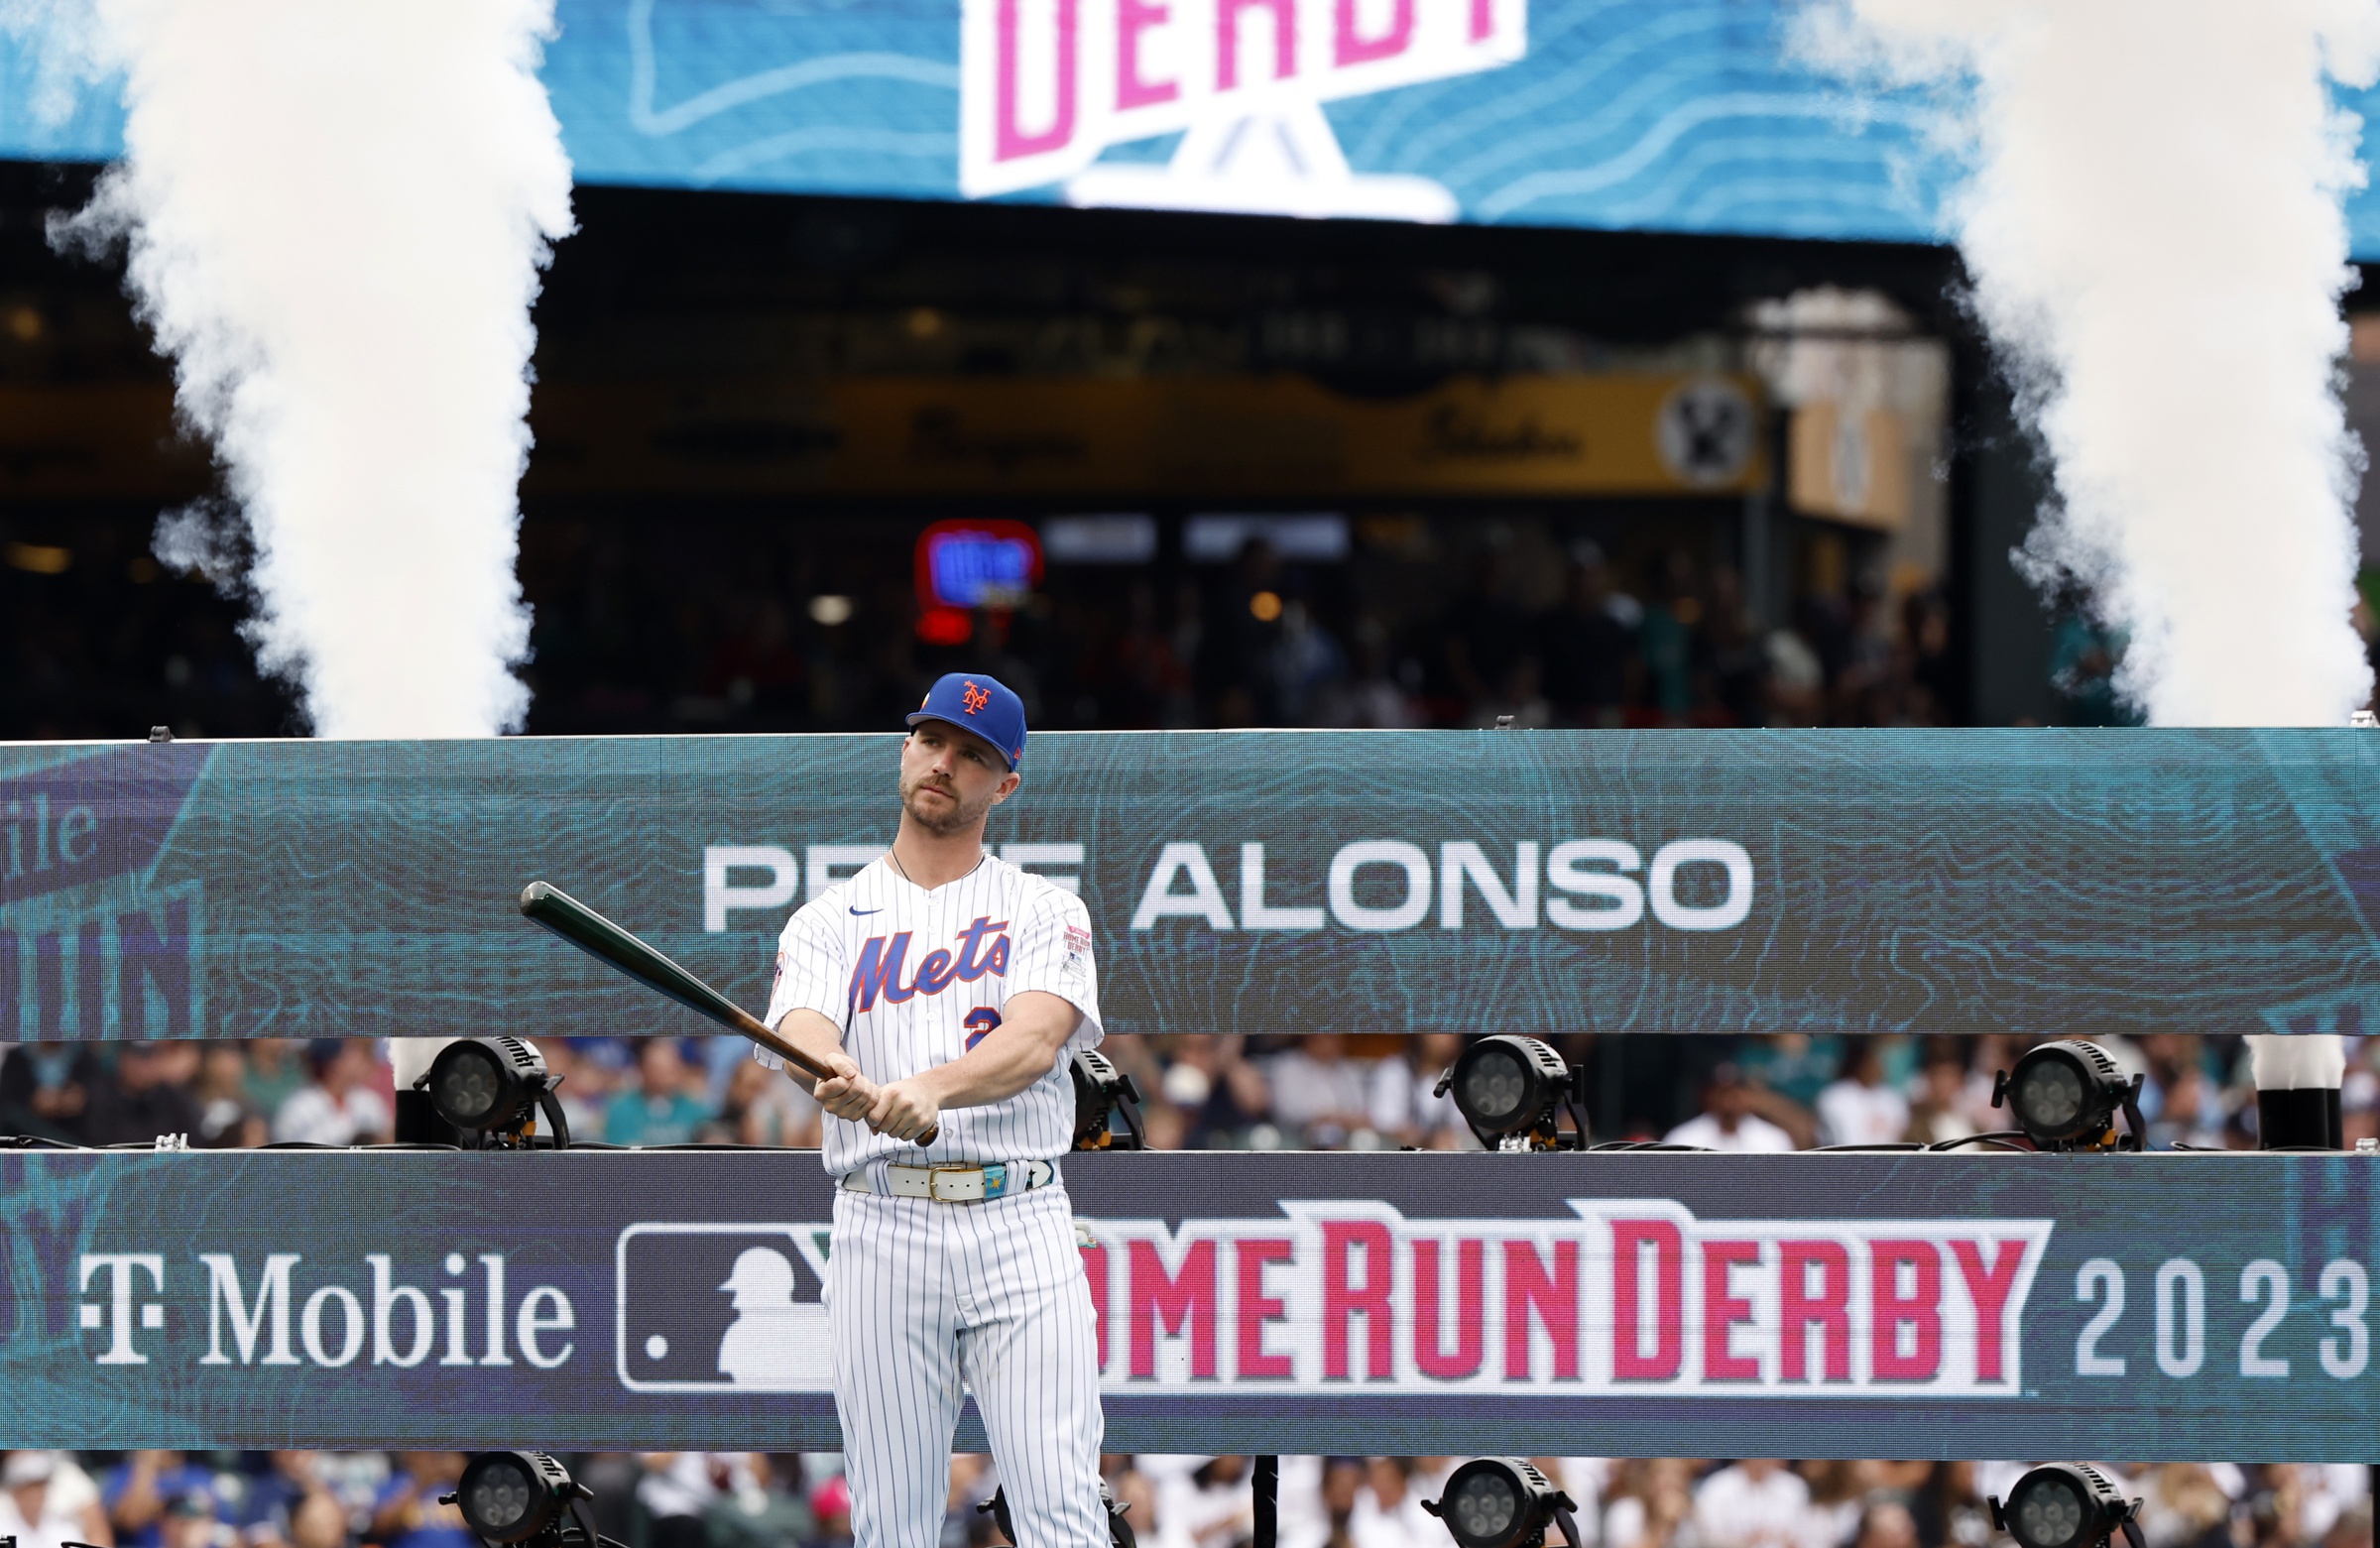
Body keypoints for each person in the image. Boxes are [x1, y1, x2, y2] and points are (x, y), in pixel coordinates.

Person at [755, 671, 1107, 1548]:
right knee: (891, 1524)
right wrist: (831, 1068)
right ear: (905, 749)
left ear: (1006, 782)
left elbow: (1033, 1041)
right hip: (882, 1223)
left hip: (1018, 1217)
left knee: (1060, 1509)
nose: (944, 763)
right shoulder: (828, 918)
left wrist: (929, 1089)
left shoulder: (1045, 908)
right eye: (932, 741)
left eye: (973, 754)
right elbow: (804, 1025)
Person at [1664, 1065, 1796, 1153]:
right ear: (1708, 1097)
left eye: (1734, 1093)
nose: (1728, 1102)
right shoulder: (1682, 1139)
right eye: (1722, 1093)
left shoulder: (1773, 1139)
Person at [2, 1451, 115, 1548]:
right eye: (28, 1488)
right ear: (15, 1492)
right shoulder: (3, 1529)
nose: (34, 1496)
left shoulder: (64, 1530)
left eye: (39, 1487)